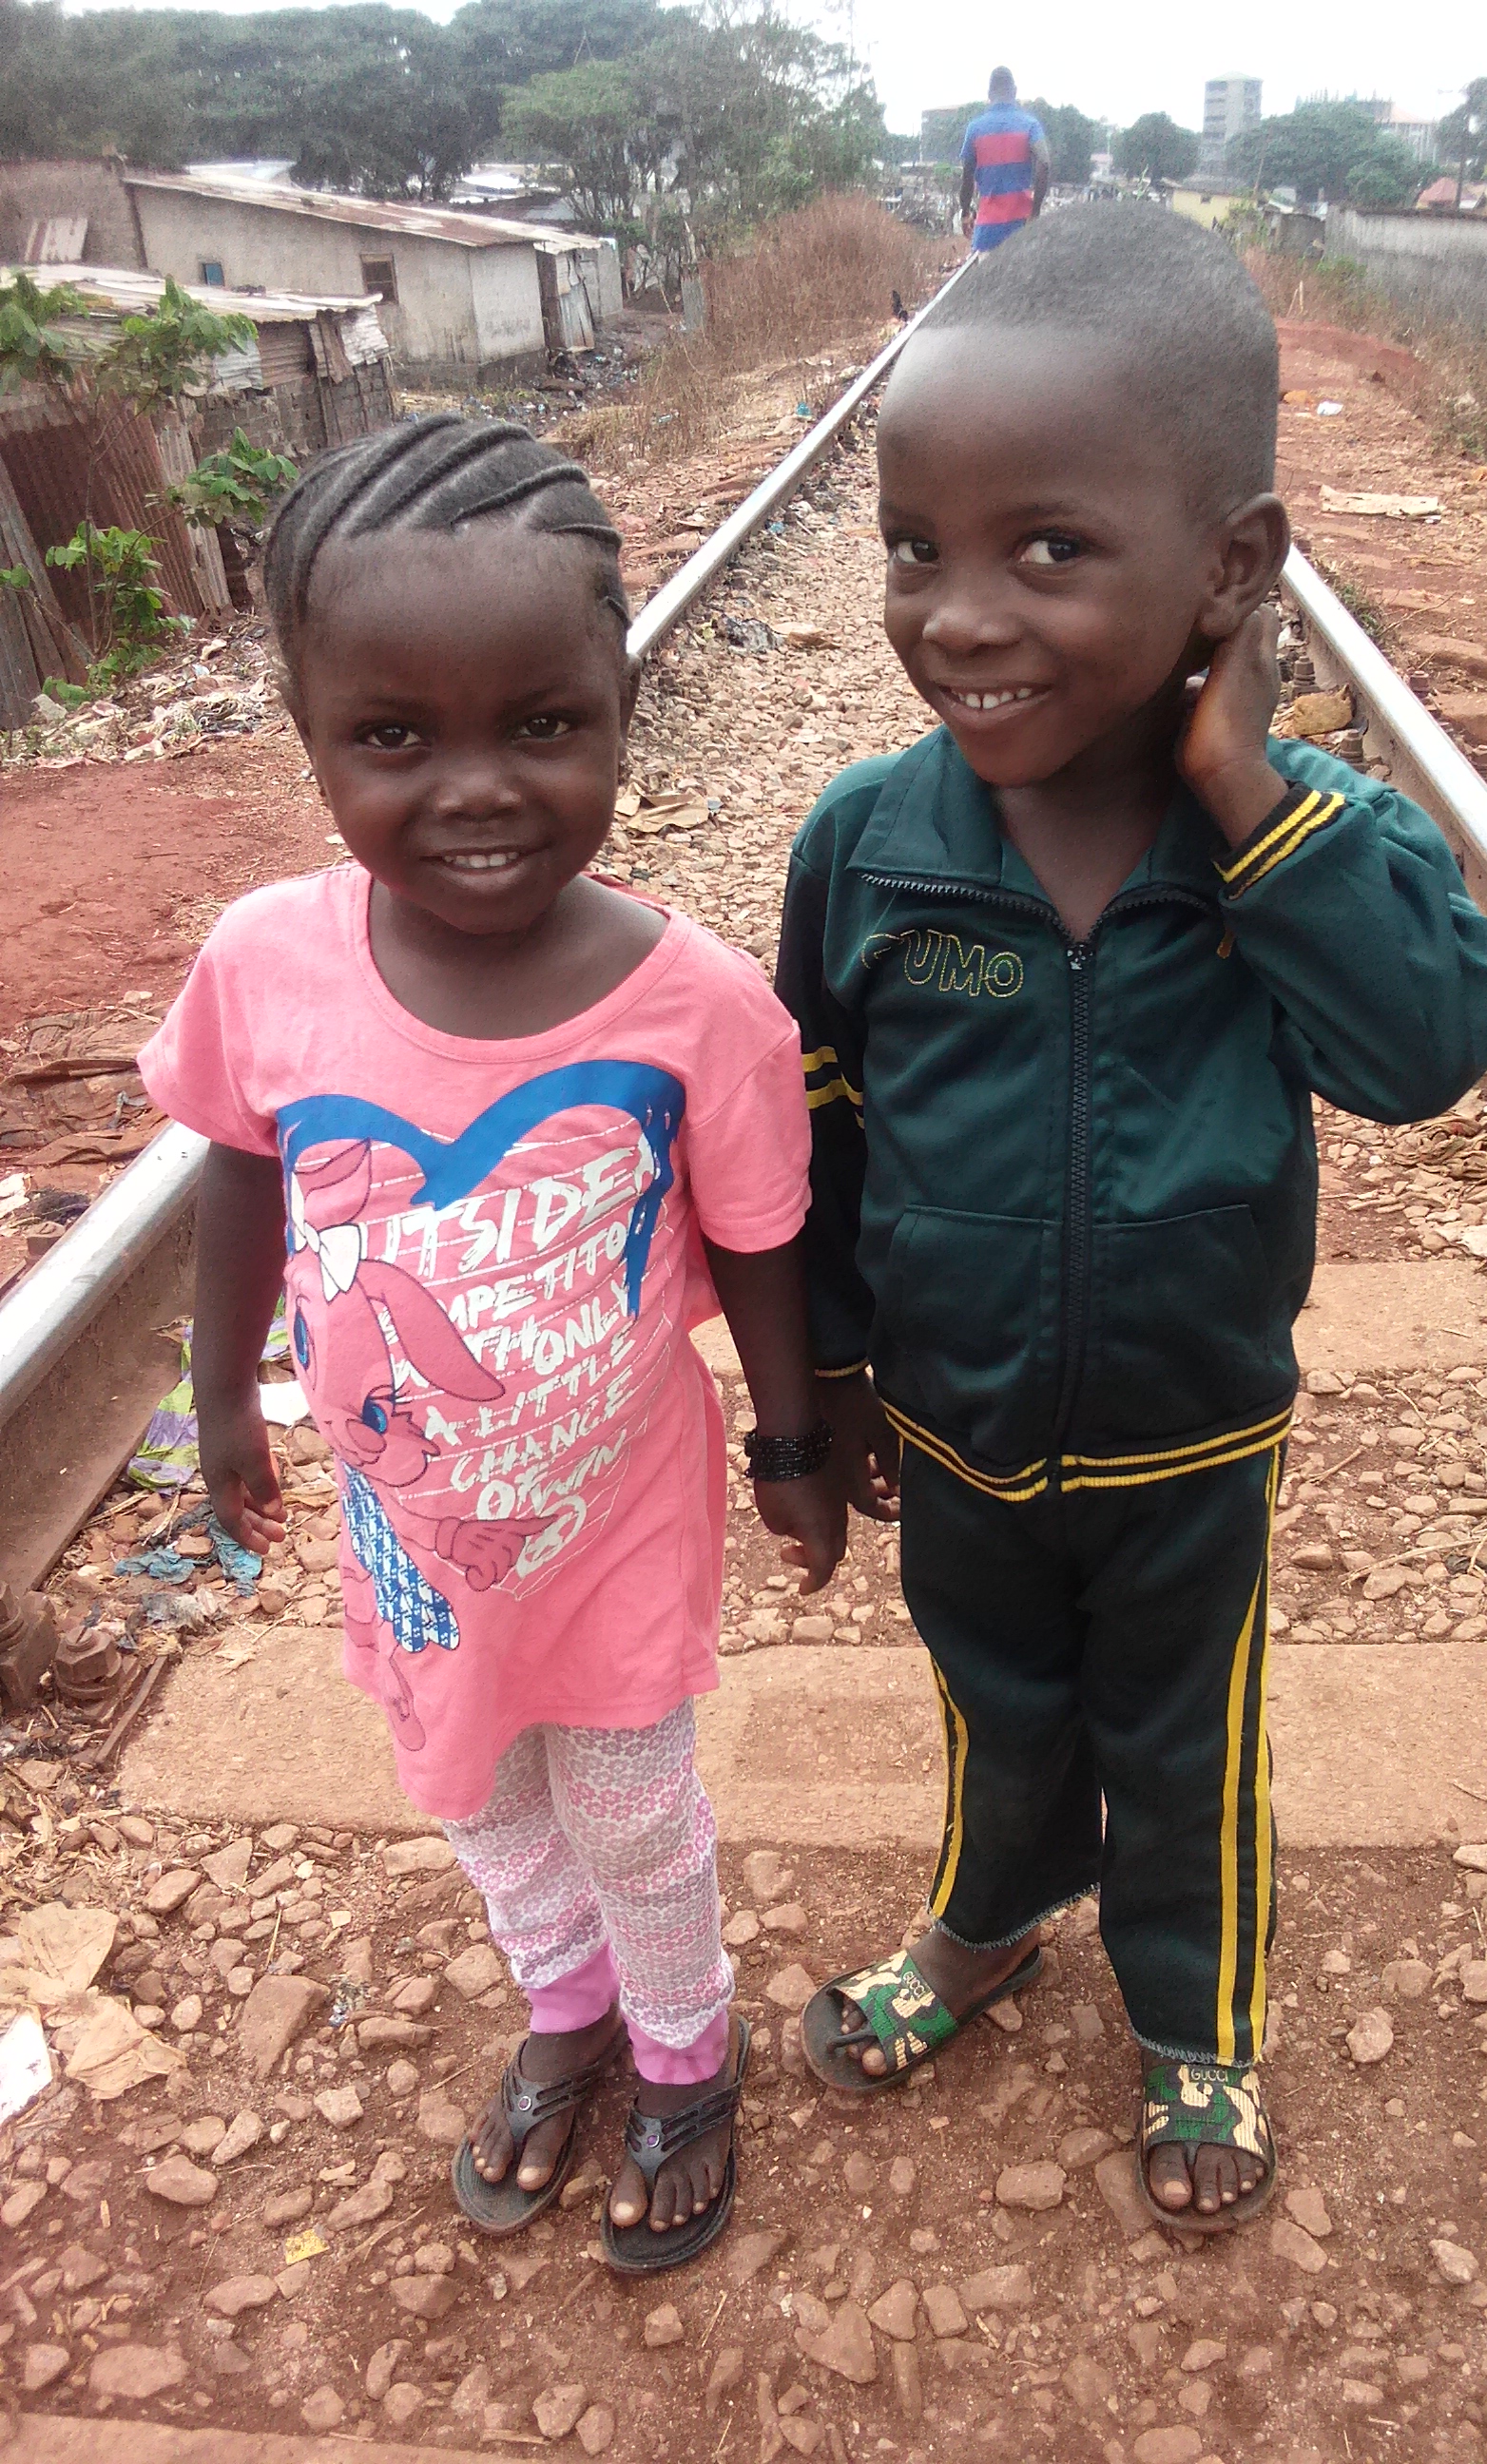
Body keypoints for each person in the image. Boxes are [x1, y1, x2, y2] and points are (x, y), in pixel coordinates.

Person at [778, 206, 1487, 2230]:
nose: (958, 617)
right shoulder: (869, 847)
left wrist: (1247, 794)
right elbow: (815, 1134)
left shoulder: (1300, 840)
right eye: (913, 547)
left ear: (1231, 566)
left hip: (1192, 1437)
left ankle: (1197, 2024)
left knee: (1185, 1739)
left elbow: (1428, 1047)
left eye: (1048, 549)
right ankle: (985, 1922)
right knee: (995, 1704)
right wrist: (825, 1376)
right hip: (957, 1425)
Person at [139, 414, 844, 2272]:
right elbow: (239, 1171)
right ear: (308, 734)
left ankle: (684, 2051)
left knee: (628, 1799)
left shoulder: (699, 1006)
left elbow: (761, 1237)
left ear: (619, 709)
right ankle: (566, 2007)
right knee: (474, 1792)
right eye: (393, 738)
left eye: (541, 724)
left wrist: (791, 1444)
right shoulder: (265, 964)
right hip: (412, 1535)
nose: (476, 791)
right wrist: (222, 1397)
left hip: (611, 1519)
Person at [959, 67, 1052, 254]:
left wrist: (965, 212)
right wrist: (1035, 212)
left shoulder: (975, 129)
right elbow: (1044, 162)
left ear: (989, 95)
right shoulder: (1030, 125)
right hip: (1022, 230)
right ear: (1015, 92)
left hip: (987, 233)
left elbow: (967, 175)